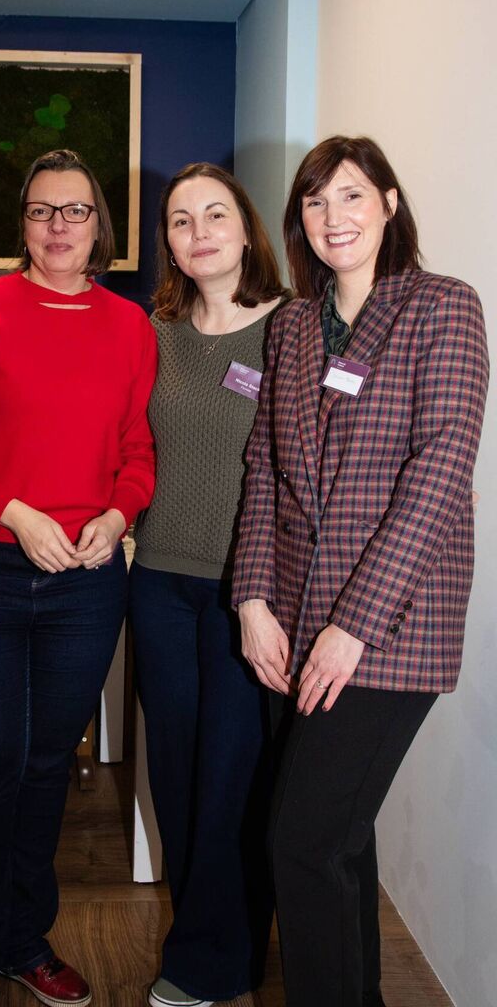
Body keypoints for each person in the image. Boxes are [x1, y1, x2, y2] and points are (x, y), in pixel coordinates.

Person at [233, 136, 488, 1007]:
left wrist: (353, 625)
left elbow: (442, 465)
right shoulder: (294, 327)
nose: (333, 217)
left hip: (393, 624)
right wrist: (254, 599)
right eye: (314, 201)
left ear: (388, 203)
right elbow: (265, 469)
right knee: (337, 841)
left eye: (351, 196)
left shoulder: (441, 307)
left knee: (302, 841)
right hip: (296, 622)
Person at [0, 148, 157, 1007]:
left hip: (85, 581)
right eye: (42, 211)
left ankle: (25, 938)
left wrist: (117, 517)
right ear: (22, 223)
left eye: (76, 211)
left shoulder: (131, 326)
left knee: (48, 765)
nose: (59, 226)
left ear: (101, 227)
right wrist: (17, 513)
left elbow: (138, 450)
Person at [129, 163, 286, 1007]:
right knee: (179, 776)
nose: (198, 231)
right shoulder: (155, 330)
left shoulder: (293, 326)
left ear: (245, 224)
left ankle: (203, 966)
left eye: (214, 212)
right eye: (181, 220)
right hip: (157, 583)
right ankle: (212, 946)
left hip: (247, 592)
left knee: (232, 779)